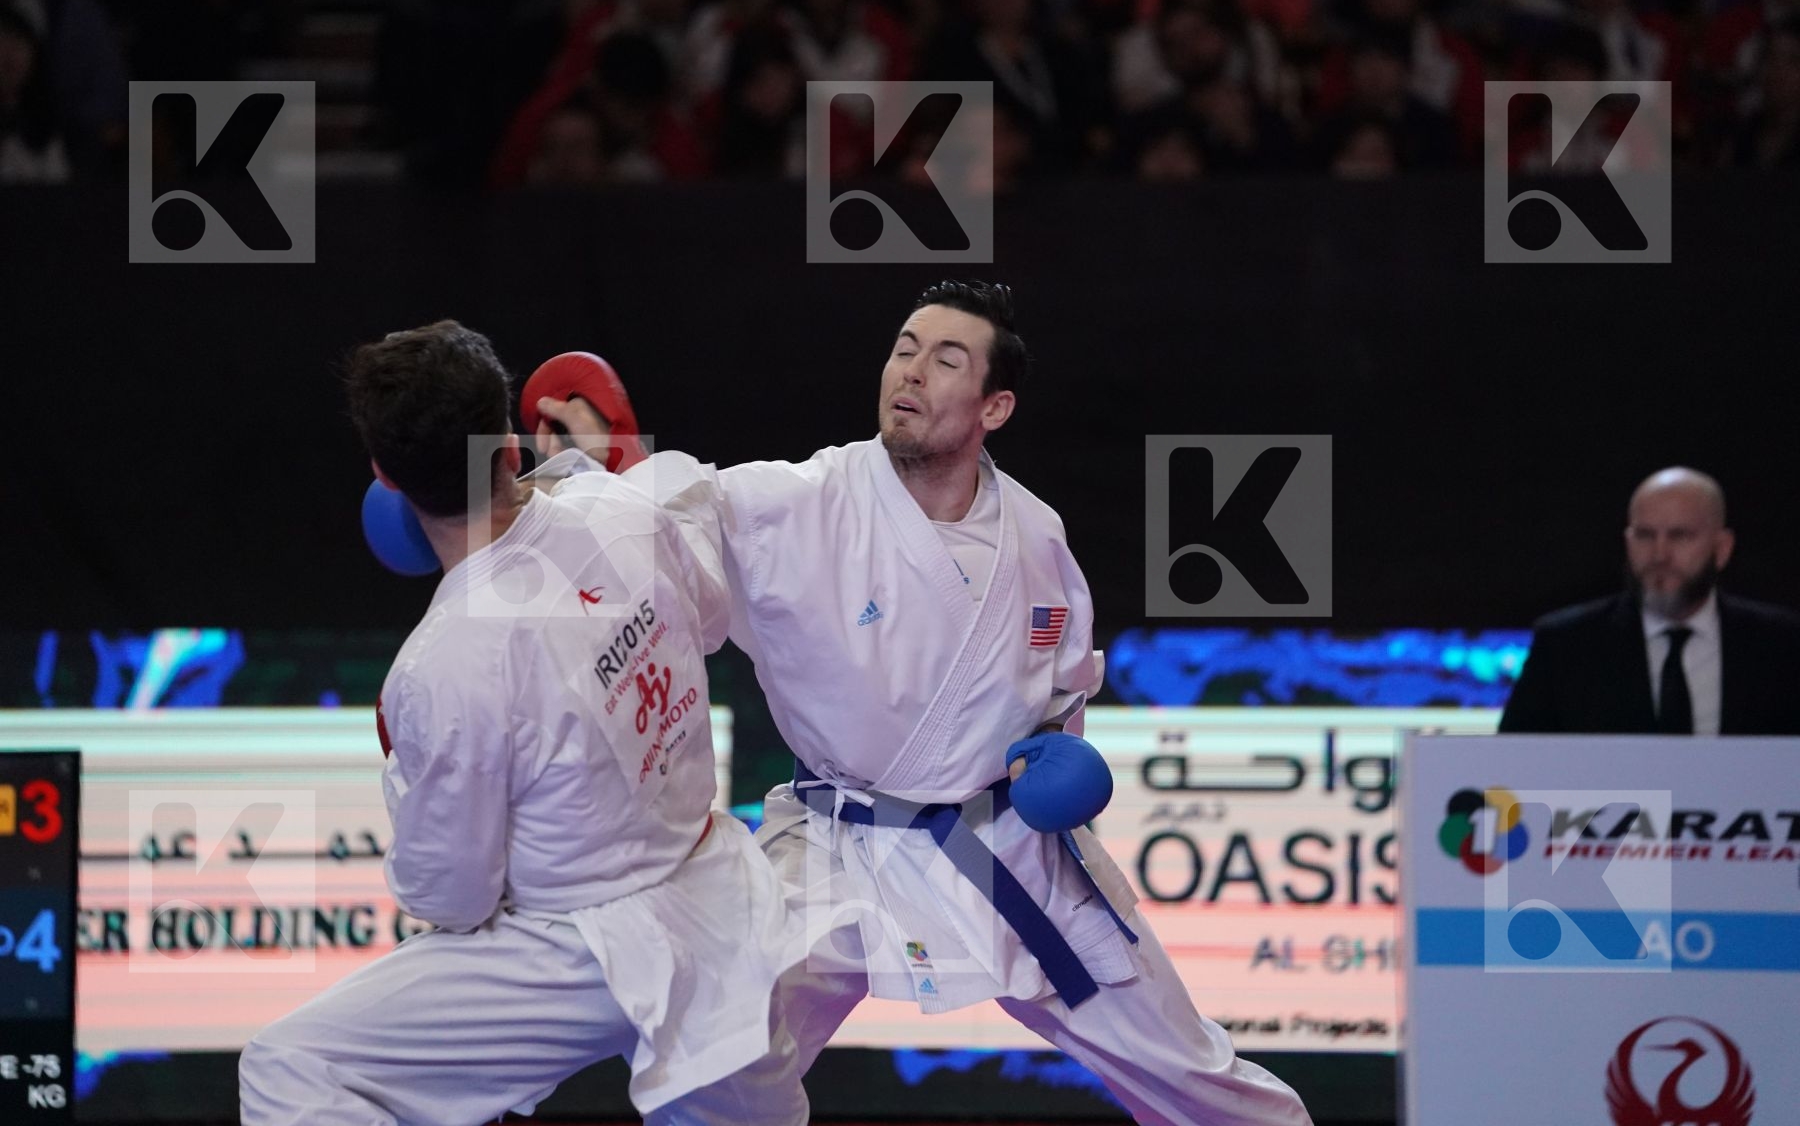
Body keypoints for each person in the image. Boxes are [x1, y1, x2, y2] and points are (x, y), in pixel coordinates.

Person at [543, 282, 1314, 1125]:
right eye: (904, 349)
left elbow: (1062, 684)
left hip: (1003, 852)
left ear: (995, 406)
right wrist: (608, 469)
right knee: (716, 1052)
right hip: (836, 845)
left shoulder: (1036, 536)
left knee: (1196, 1076)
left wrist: (1057, 748)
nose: (910, 372)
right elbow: (677, 517)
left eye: (946, 360)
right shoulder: (801, 501)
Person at [239, 321, 808, 1126]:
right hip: (717, 900)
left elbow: (453, 898)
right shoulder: (620, 505)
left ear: (384, 479)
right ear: (509, 443)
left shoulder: (440, 664)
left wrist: (405, 780)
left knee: (290, 1065)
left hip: (569, 953)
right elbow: (711, 619)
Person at [1499, 467, 1800, 737]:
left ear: (1722, 548)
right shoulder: (1565, 645)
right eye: (1644, 535)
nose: (1659, 554)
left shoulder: (1782, 645)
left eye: (1680, 536)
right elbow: (1516, 761)